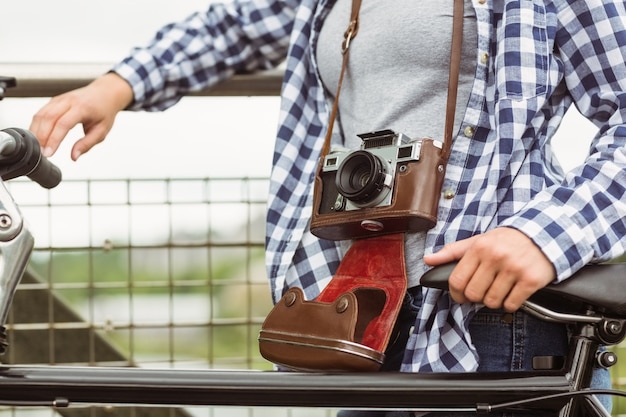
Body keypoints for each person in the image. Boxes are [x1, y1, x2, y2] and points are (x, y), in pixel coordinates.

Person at [30, 0, 626, 415]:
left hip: (490, 310)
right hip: (364, 308)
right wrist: (116, 85)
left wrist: (546, 235)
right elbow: (232, 25)